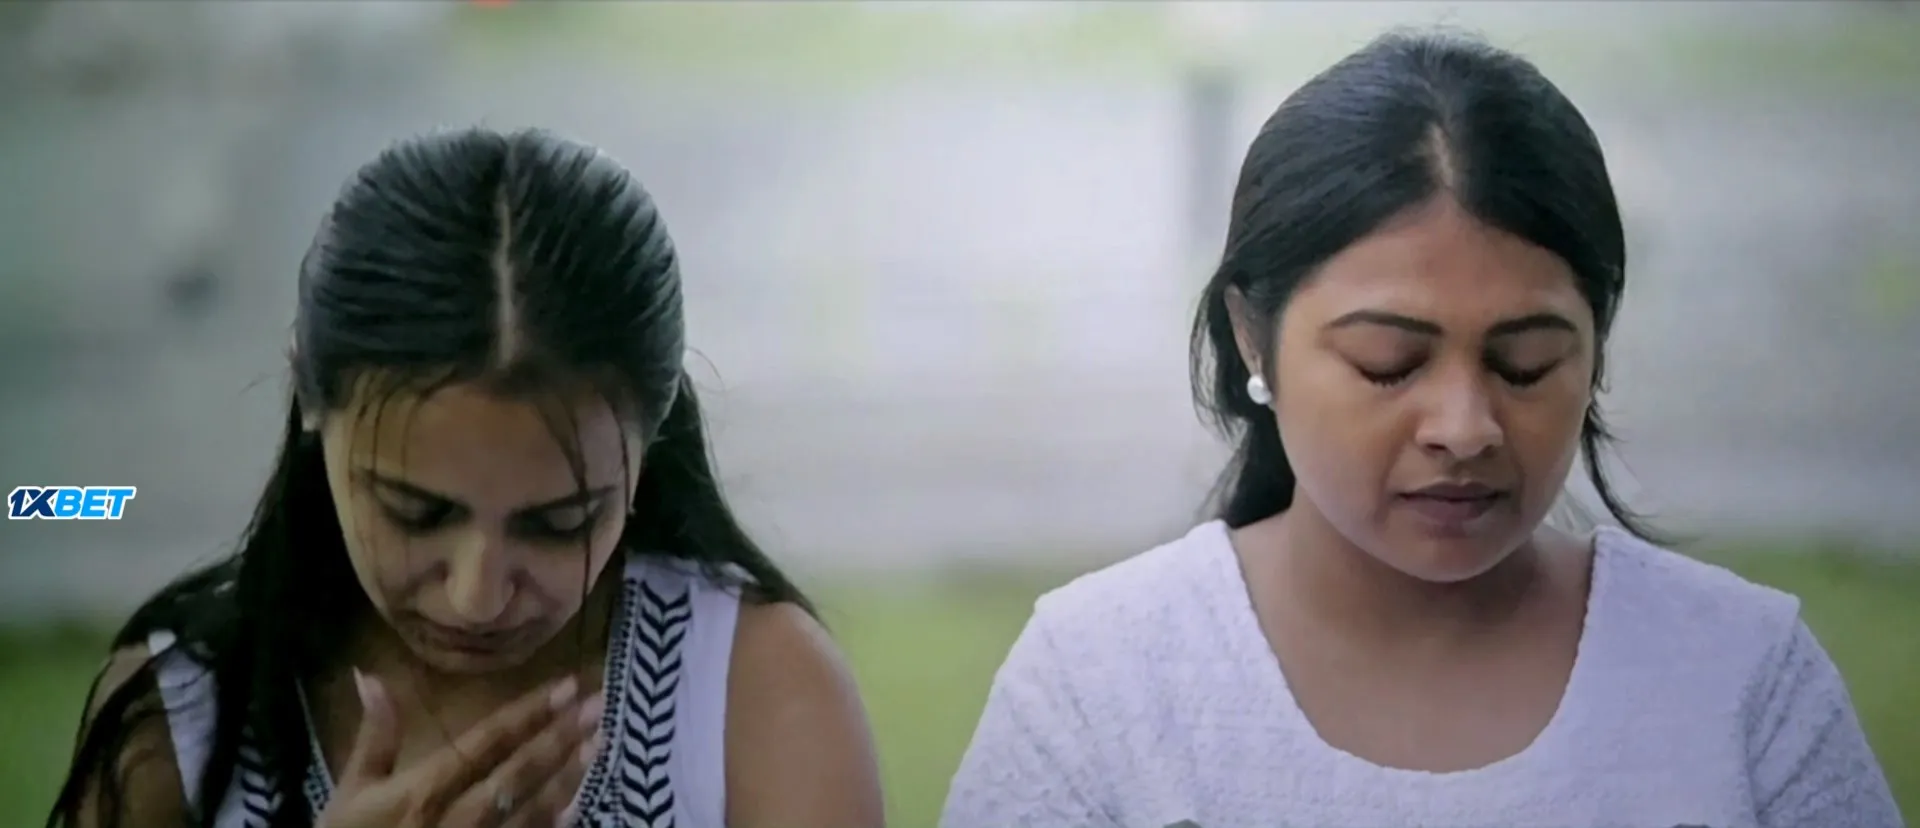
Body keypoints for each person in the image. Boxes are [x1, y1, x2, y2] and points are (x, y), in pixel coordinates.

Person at [942, 30, 1903, 828]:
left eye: (1525, 364)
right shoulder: (1100, 683)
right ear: (1252, 336)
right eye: (1388, 362)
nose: (1464, 427)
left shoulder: (1741, 678)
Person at [49, 127, 886, 828]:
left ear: (648, 442)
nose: (478, 598)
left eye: (559, 524)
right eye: (415, 514)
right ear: (309, 396)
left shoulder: (756, 693)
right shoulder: (184, 718)